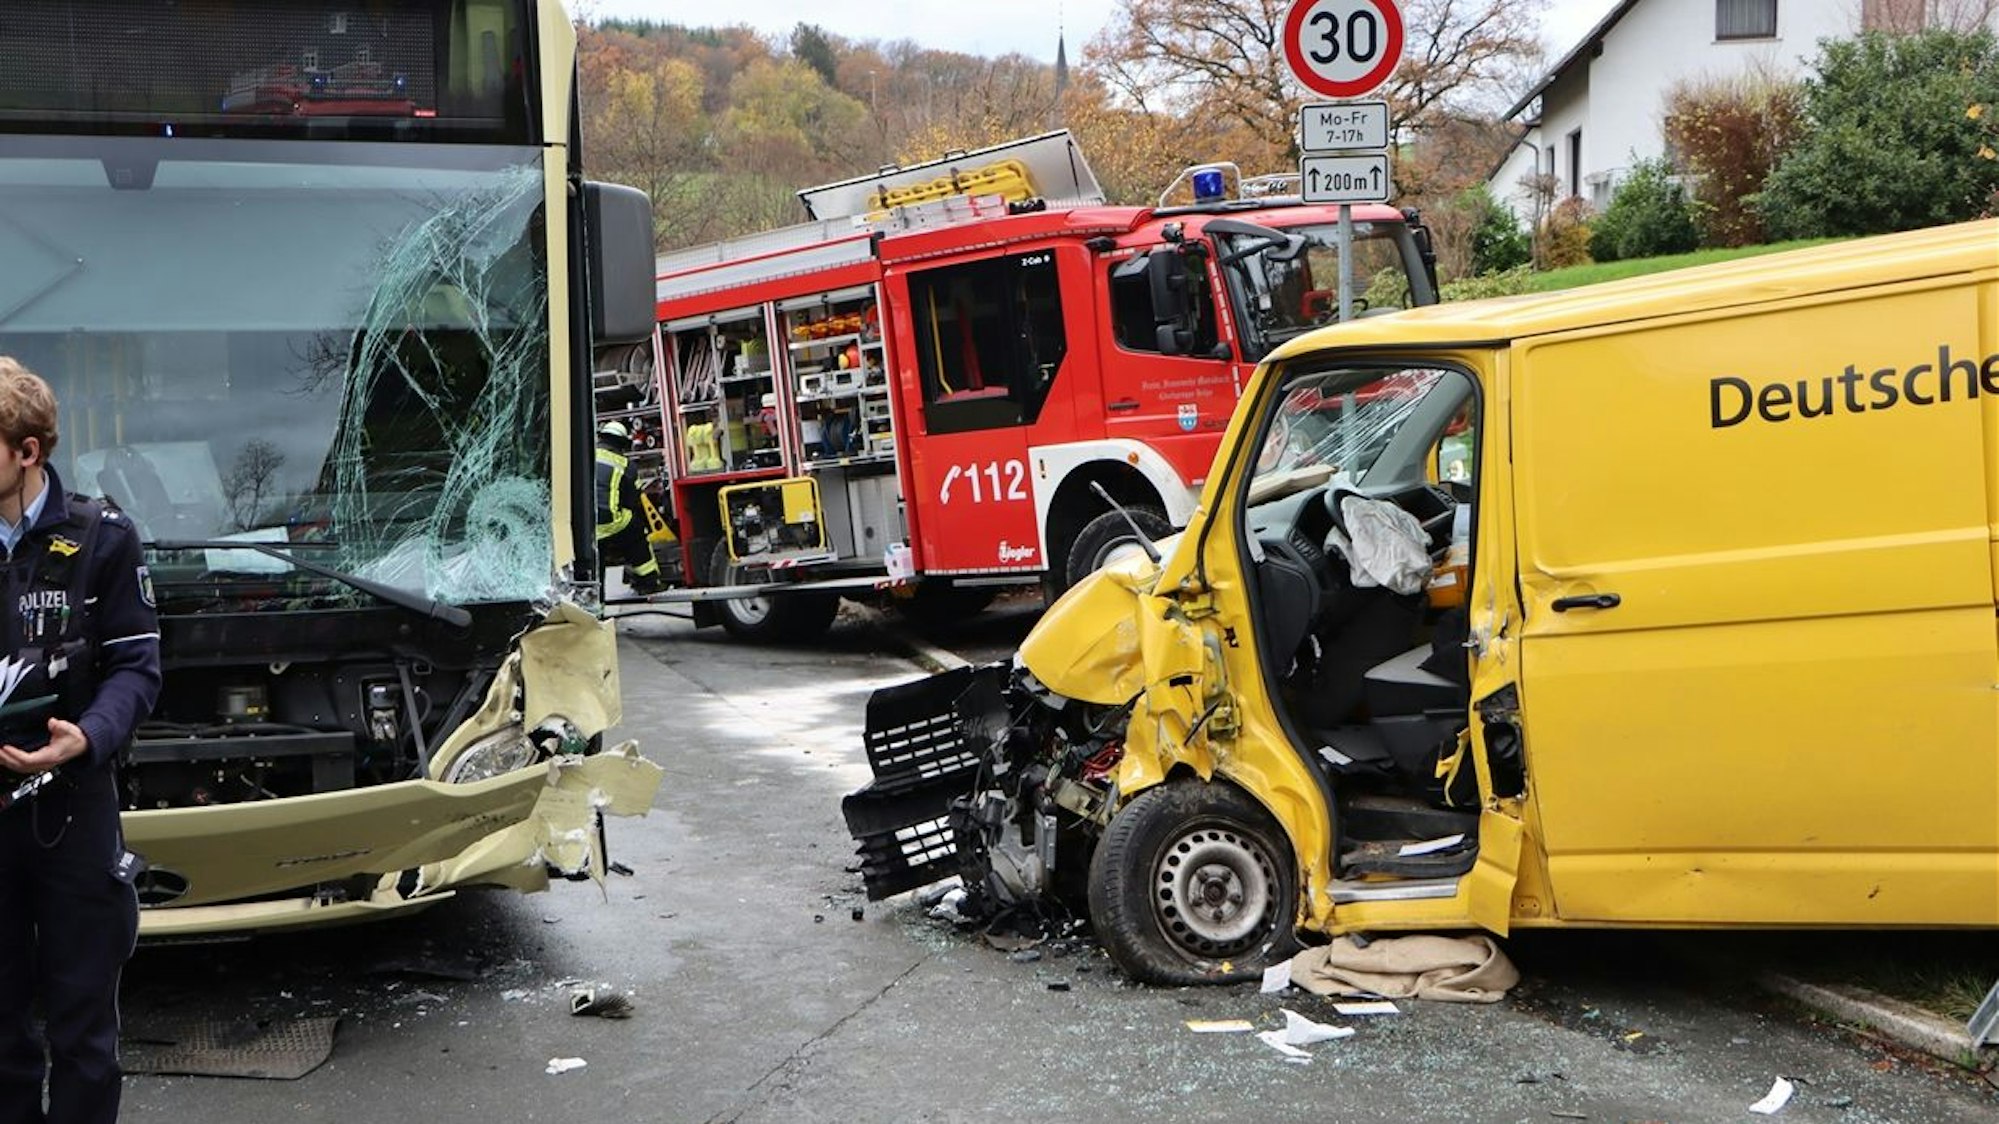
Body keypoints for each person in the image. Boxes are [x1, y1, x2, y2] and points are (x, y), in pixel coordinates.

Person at [0, 356, 162, 1124]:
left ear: (27, 452)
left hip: (73, 809)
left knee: (85, 1031)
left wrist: (86, 737)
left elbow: (138, 668)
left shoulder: (103, 537)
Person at [594, 420, 665, 595]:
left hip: (585, 526)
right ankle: (648, 580)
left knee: (596, 566)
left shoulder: (585, 456)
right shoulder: (626, 465)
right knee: (636, 531)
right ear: (621, 443)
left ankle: (597, 610)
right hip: (610, 522)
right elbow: (632, 500)